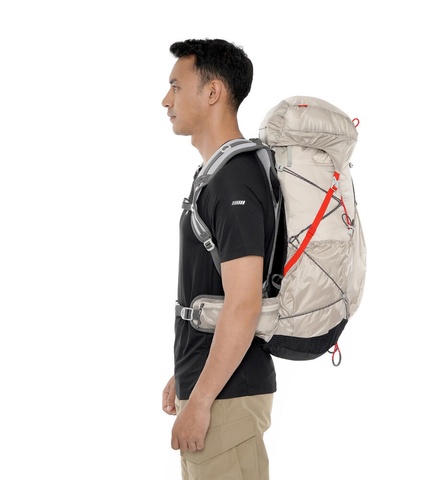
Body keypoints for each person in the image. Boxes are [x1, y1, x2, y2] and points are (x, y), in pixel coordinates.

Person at [161, 39, 277, 479]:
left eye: (176, 86)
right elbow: (211, 290)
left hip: (227, 399)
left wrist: (202, 399)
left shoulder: (233, 182)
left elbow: (244, 303)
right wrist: (187, 372)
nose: (166, 100)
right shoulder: (219, 175)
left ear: (212, 92)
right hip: (218, 389)